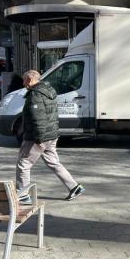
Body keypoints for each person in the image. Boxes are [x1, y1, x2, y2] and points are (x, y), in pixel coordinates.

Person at [16, 70, 85, 203]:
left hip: (39, 137)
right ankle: (74, 187)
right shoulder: (48, 90)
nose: (23, 83)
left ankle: (23, 195)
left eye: (24, 80)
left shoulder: (36, 95)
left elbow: (38, 118)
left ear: (30, 80)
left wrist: (39, 139)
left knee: (24, 163)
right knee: (54, 163)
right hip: (51, 134)